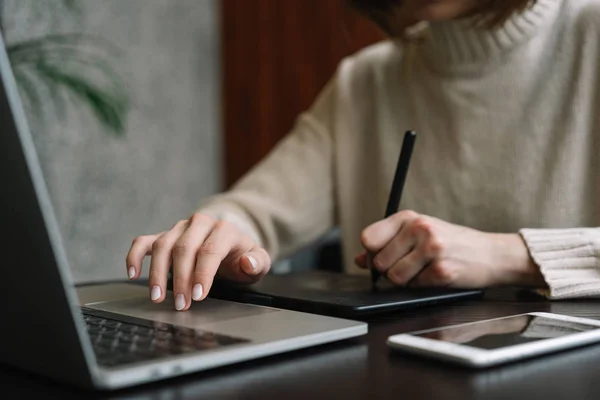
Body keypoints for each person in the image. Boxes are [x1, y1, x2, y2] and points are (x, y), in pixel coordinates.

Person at [126, 0, 600, 311]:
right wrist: (216, 235)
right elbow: (254, 210)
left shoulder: (590, 35)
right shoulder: (365, 81)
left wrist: (507, 256)